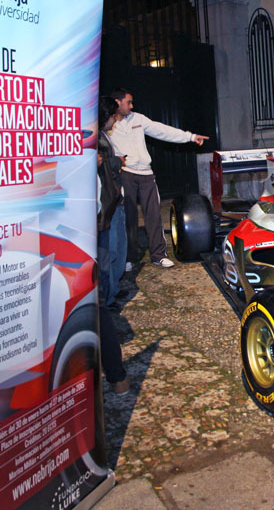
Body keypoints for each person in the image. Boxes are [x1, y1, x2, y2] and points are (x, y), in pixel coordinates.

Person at [108, 87, 209, 269]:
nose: (131, 105)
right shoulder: (109, 124)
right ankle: (129, 258)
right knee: (128, 217)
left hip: (146, 173)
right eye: (128, 102)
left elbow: (161, 130)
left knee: (153, 215)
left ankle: (158, 255)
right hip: (126, 173)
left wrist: (190, 137)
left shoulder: (138, 119)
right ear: (118, 102)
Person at [96, 96, 129, 393]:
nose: (117, 120)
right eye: (114, 116)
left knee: (111, 257)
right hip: (99, 215)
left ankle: (108, 300)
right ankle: (106, 302)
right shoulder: (97, 141)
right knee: (105, 261)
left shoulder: (101, 138)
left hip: (105, 210)